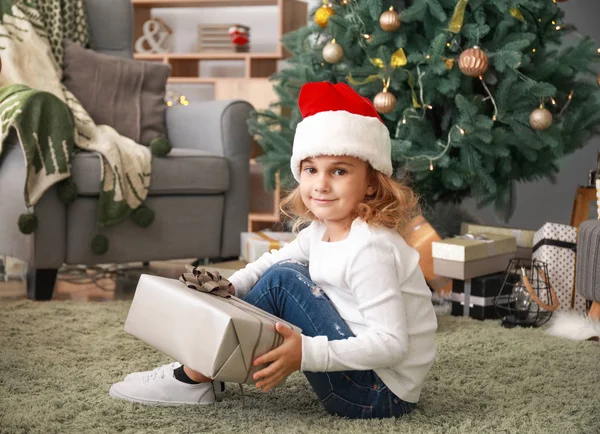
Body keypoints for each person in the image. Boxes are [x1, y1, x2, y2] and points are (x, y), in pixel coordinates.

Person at [109, 82, 438, 419]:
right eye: (311, 170)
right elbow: (276, 258)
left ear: (371, 182)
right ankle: (206, 366)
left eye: (339, 171)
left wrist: (306, 354)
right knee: (284, 270)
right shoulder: (324, 228)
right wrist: (233, 285)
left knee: (284, 282)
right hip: (369, 378)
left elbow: (392, 344)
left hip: (378, 394)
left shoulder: (370, 249)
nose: (321, 184)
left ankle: (194, 375)